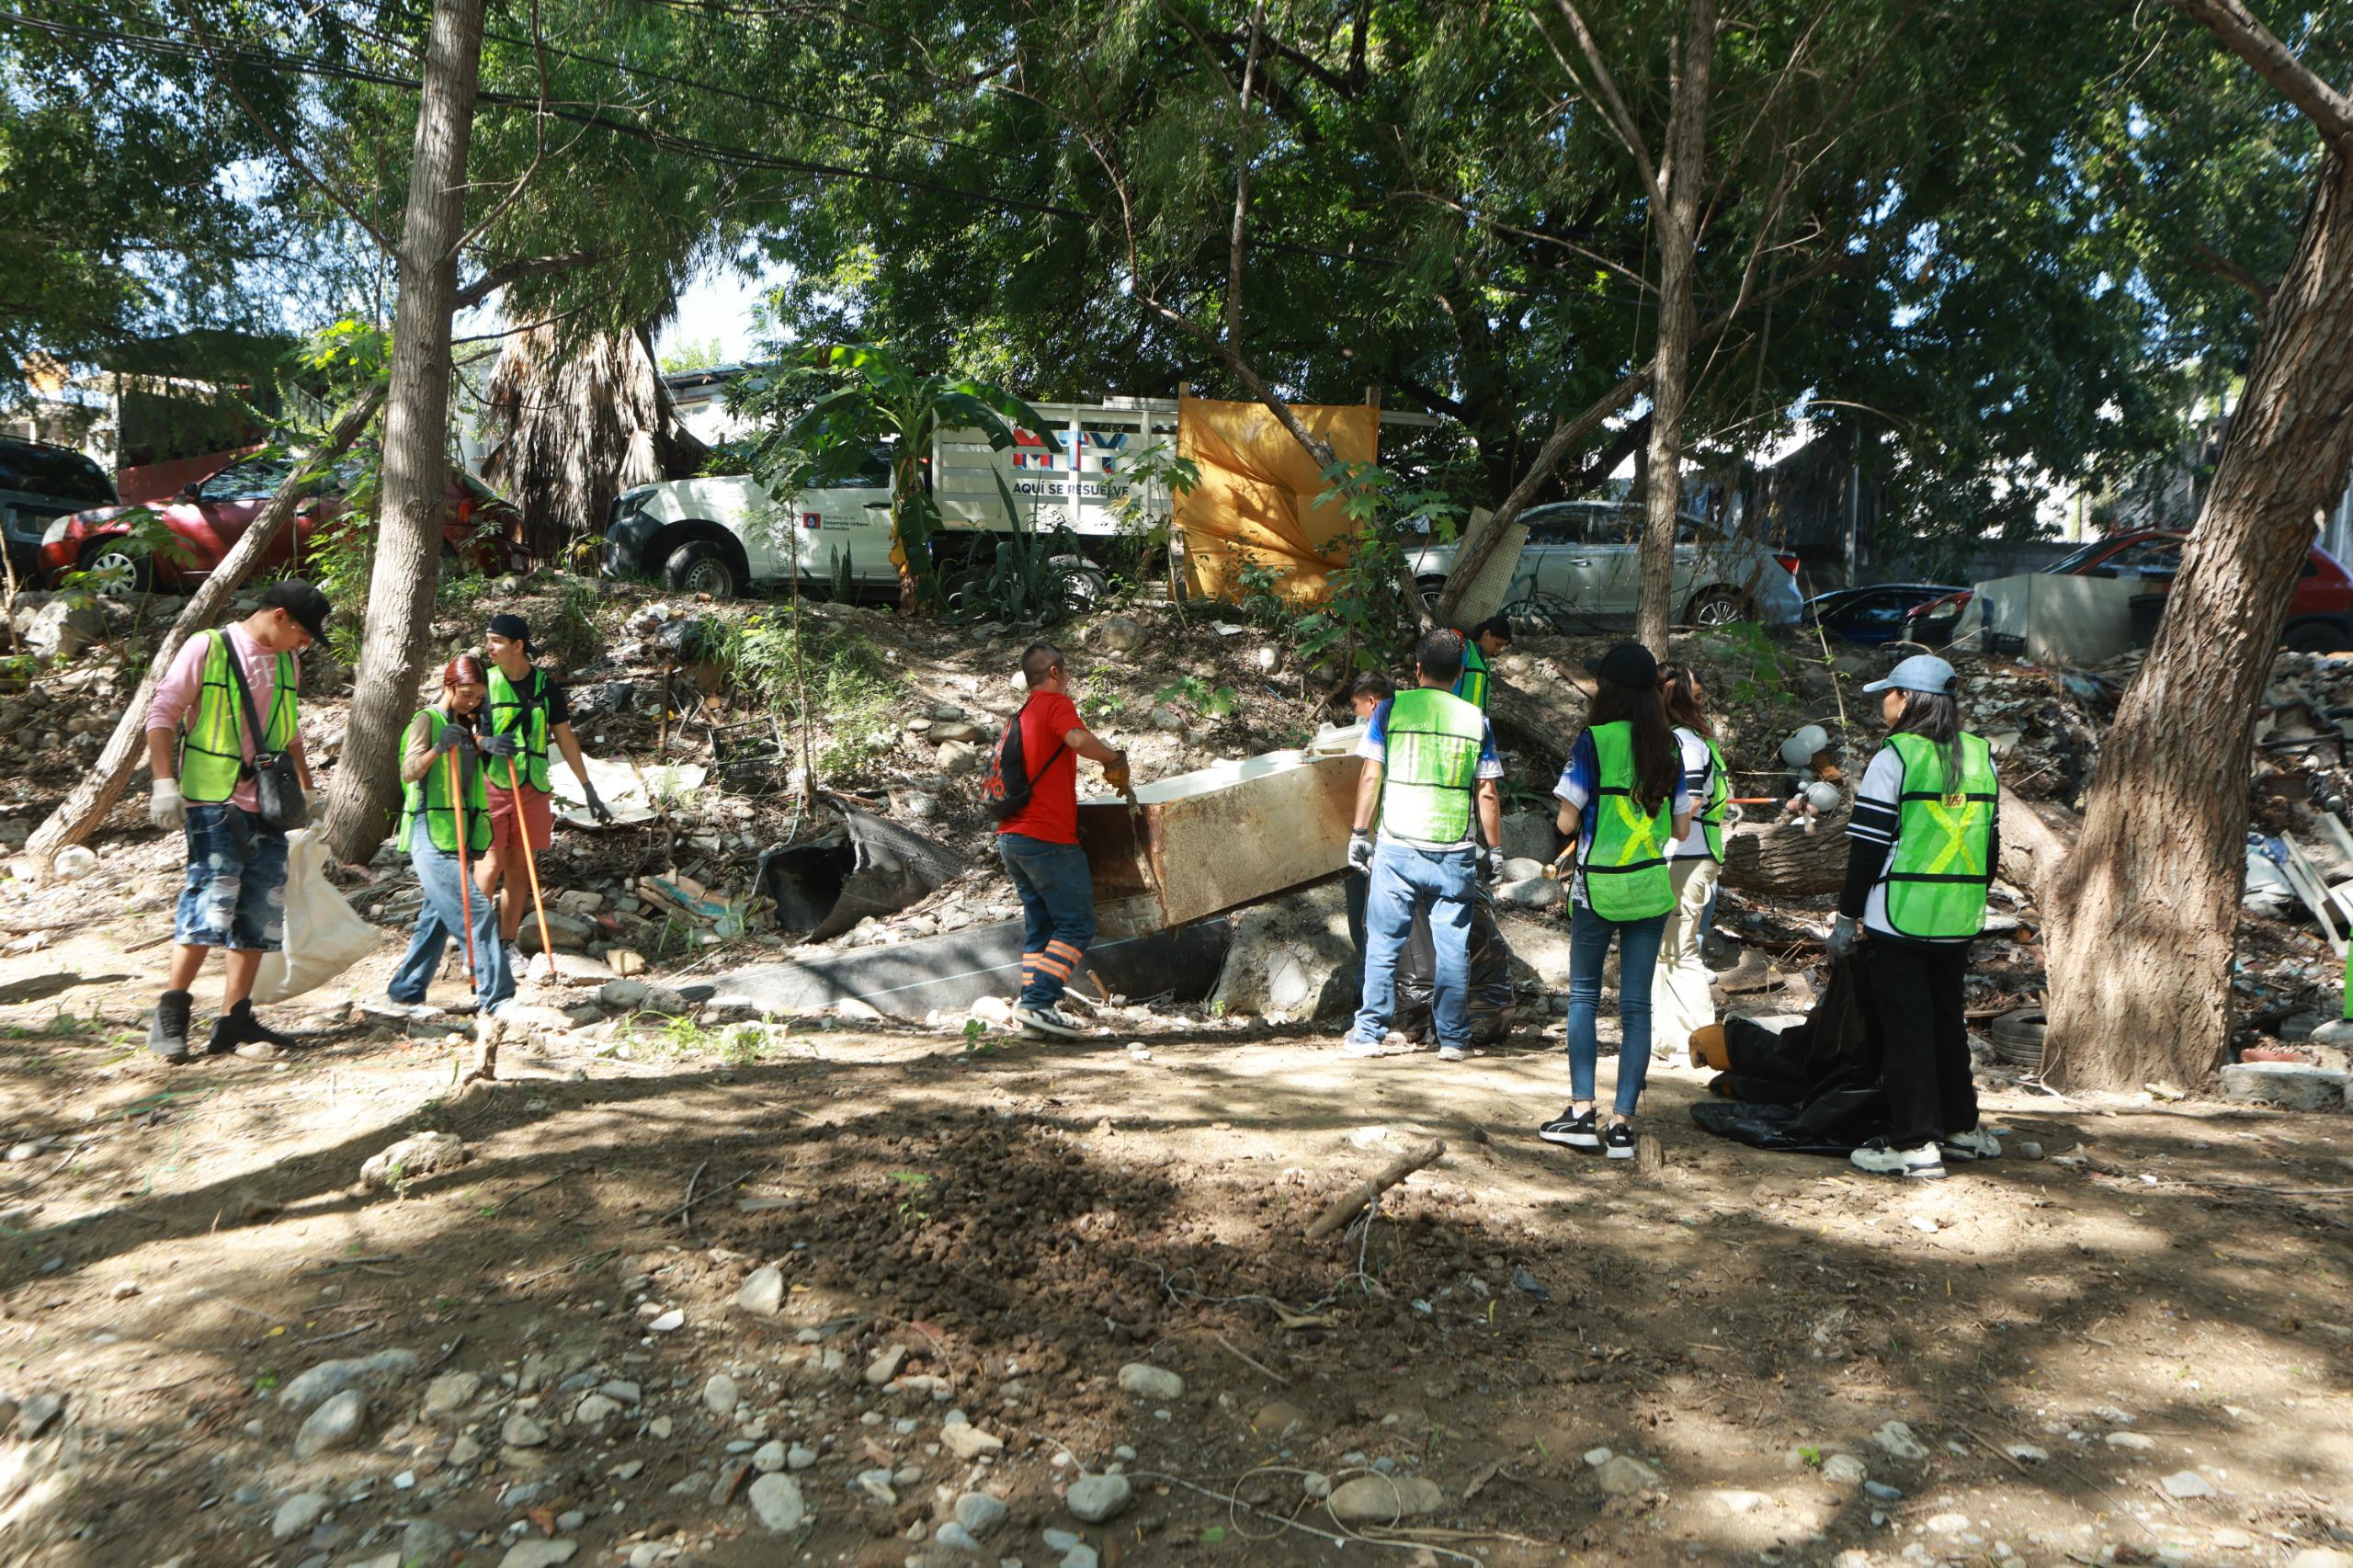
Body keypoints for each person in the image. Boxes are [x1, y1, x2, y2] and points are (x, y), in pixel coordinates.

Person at [143, 579, 333, 1062]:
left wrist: (307, 789)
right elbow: (163, 712)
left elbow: (288, 732)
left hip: (269, 805)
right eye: (305, 633)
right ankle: (171, 1014)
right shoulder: (208, 647)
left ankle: (235, 1020)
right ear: (280, 616)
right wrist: (163, 783)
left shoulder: (288, 660)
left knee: (258, 913)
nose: (306, 644)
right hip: (214, 800)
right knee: (210, 905)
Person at [1835, 653, 2003, 1180]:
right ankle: (1961, 1129)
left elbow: (1866, 848)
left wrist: (1846, 917)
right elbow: (1990, 844)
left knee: (1907, 1029)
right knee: (1945, 1023)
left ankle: (1914, 1144)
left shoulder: (1896, 757)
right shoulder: (1981, 755)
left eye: (1889, 693)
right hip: (1958, 915)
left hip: (1899, 914)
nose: (1884, 703)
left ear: (1907, 699)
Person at [1539, 641, 1692, 1156]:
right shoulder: (1669, 746)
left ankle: (1582, 1113)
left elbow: (1564, 820)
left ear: (1610, 689)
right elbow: (1682, 824)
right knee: (1636, 1008)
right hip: (1649, 888)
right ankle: (1623, 1125)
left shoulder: (1593, 742)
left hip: (1595, 887)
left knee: (1583, 998)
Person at [1345, 630, 1506, 1062]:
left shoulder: (1390, 711)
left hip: (1397, 848)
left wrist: (1360, 834)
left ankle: (1369, 1035)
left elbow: (1370, 776)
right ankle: (1453, 1041)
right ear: (1458, 674)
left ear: (1417, 669)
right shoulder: (1476, 720)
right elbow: (1486, 792)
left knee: (1383, 942)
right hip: (1453, 852)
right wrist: (1495, 849)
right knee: (1452, 946)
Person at [995, 642, 1130, 1039]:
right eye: (1066, 673)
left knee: (1041, 926)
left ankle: (1031, 1012)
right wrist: (1111, 757)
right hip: (1047, 837)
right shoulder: (1054, 704)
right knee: (1076, 924)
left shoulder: (1018, 716)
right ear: (1054, 673)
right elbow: (1075, 738)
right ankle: (1039, 1003)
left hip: (1012, 837)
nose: (1068, 680)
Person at [474, 613, 611, 978]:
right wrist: (484, 741)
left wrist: (588, 788)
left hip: (533, 787)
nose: (489, 648)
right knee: (490, 866)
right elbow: (455, 729)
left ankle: (505, 944)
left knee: (520, 868)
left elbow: (565, 737)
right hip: (492, 785)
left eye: (496, 641)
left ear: (518, 646)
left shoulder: (545, 687)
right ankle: (473, 946)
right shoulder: (482, 683)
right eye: (489, 640)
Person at [387, 654, 512, 1017]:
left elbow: (467, 747)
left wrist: (485, 744)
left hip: (458, 835)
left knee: (436, 918)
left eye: (478, 698)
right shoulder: (427, 720)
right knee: (477, 913)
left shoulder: (461, 722)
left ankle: (405, 992)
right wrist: (438, 748)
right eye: (468, 695)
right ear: (449, 685)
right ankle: (498, 997)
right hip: (431, 833)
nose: (473, 702)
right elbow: (410, 770)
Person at [1652, 662, 1730, 1054]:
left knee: (1680, 950)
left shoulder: (1684, 741)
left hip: (1689, 855)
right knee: (1667, 949)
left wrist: (1653, 826)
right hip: (1692, 854)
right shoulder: (1693, 737)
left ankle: (1707, 1041)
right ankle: (1669, 1038)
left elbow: (1694, 799)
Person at [1343, 670, 1398, 956]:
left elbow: (1370, 777)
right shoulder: (1412, 710)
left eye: (1356, 706)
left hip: (1390, 834)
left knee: (1365, 908)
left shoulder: (1380, 718)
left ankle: (1364, 981)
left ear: (1372, 701)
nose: (1357, 713)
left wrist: (1358, 832)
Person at [1453, 615, 1512, 711]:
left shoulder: (1484, 662)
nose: (1497, 651)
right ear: (1486, 634)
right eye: (1498, 644)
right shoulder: (1465, 648)